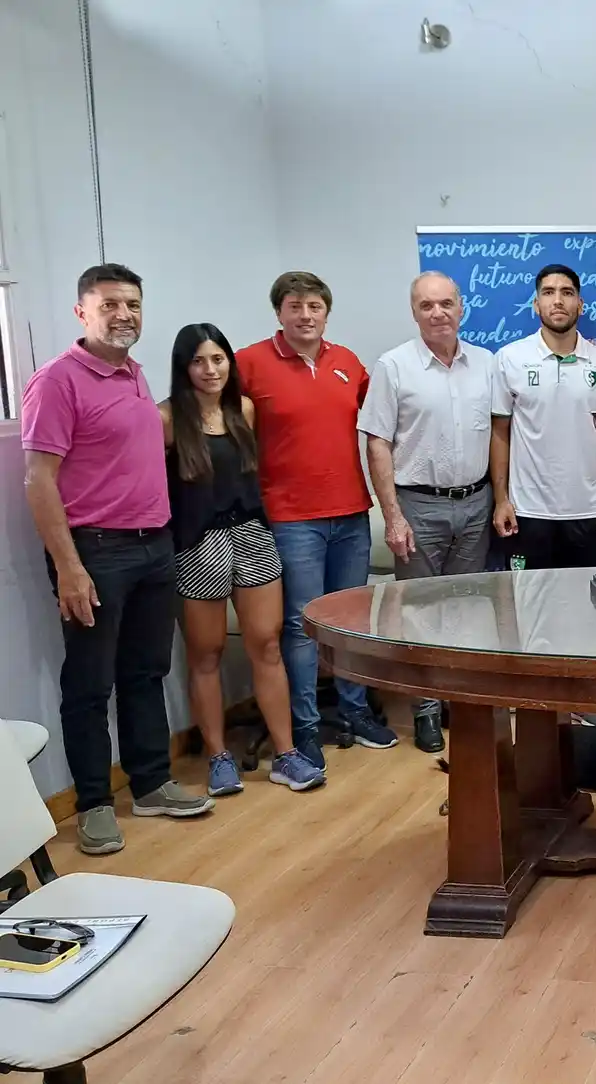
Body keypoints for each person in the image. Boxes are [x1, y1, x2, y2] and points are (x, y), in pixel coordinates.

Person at [20, 264, 214, 856]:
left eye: (132, 304)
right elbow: (38, 479)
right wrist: (70, 566)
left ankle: (151, 781)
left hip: (154, 545)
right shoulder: (57, 381)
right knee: (88, 683)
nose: (124, 314)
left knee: (145, 672)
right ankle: (93, 805)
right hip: (96, 552)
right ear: (83, 312)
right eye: (110, 305)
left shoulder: (132, 374)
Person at [159, 324, 325, 796]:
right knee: (206, 654)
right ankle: (218, 758)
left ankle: (286, 754)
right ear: (183, 367)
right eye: (198, 361)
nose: (210, 370)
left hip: (252, 535)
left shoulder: (243, 411)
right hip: (199, 544)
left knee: (266, 645)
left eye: (217, 359)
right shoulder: (167, 419)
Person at [237, 271, 395, 766]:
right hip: (290, 518)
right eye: (294, 306)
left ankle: (354, 710)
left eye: (314, 307)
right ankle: (304, 726)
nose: (305, 316)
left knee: (350, 620)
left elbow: (385, 421)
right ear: (278, 312)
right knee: (303, 624)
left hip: (350, 512)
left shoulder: (347, 362)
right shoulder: (248, 364)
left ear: (327, 312)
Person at [360, 271, 505, 754]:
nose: (438, 313)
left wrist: (499, 497)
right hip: (417, 506)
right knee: (418, 613)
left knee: (466, 608)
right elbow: (377, 442)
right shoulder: (394, 366)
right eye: (427, 306)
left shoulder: (485, 364)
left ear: (462, 306)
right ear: (414, 311)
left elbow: (500, 433)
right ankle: (424, 708)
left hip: (475, 502)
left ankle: (458, 701)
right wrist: (393, 515)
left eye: (446, 303)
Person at [493, 264, 596, 571]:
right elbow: (500, 433)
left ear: (580, 303)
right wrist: (501, 500)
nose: (558, 301)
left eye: (567, 293)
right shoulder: (510, 358)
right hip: (528, 512)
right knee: (531, 609)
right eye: (548, 293)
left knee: (588, 607)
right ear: (536, 304)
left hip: (589, 510)